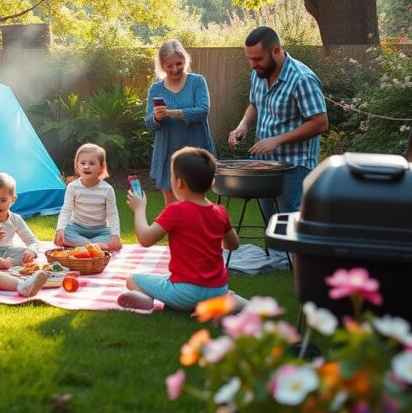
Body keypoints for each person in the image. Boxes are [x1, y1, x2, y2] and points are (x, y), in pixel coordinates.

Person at [119, 147, 241, 312]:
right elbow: (233, 245)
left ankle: (146, 299)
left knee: (133, 279)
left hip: (185, 294)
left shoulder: (176, 210)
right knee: (169, 280)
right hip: (217, 289)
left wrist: (140, 208)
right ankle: (218, 305)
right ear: (211, 182)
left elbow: (146, 239)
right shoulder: (220, 212)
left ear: (179, 182)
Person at [229, 26, 328, 216]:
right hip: (265, 167)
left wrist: (277, 140)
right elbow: (255, 105)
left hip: (294, 168)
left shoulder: (302, 79)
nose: (252, 65)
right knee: (271, 227)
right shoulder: (258, 75)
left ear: (276, 50)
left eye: (257, 59)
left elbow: (320, 122)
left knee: (290, 230)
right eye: (249, 58)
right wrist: (243, 126)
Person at [145, 39, 215, 205]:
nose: (175, 69)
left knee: (197, 208)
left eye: (179, 63)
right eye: (169, 66)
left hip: (196, 152)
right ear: (162, 65)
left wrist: (173, 113)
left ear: (185, 61)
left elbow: (203, 111)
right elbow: (148, 122)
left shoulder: (197, 82)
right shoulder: (156, 89)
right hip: (167, 153)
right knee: (173, 211)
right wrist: (157, 117)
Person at [54, 144, 123, 251]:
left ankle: (85, 245)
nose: (86, 166)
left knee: (112, 239)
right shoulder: (72, 187)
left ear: (101, 167)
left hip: (101, 230)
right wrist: (60, 229)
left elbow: (113, 214)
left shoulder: (107, 189)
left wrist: (115, 235)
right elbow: (66, 210)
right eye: (82, 163)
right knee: (65, 233)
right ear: (77, 166)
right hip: (77, 228)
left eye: (92, 163)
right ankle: (95, 246)